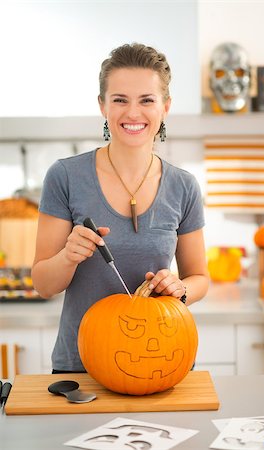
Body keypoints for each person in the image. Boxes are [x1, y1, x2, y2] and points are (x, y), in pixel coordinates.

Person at [31, 43, 209, 373]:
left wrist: (181, 289)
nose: (132, 113)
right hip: (81, 368)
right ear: (102, 106)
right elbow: (43, 284)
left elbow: (199, 277)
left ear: (165, 107)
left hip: (161, 362)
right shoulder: (65, 176)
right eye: (119, 100)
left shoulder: (184, 186)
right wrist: (69, 256)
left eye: (146, 100)